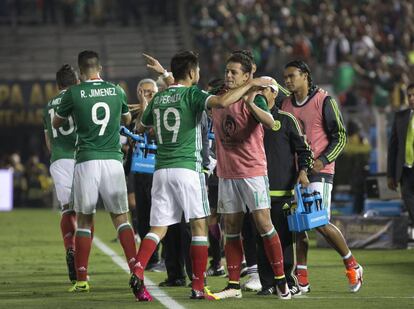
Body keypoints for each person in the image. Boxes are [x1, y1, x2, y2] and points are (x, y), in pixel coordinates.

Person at [129, 50, 273, 301]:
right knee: (198, 228)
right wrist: (250, 83)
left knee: (157, 228)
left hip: (161, 170)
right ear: (193, 73)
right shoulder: (194, 94)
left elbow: (141, 126)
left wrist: (159, 86)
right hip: (188, 168)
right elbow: (220, 103)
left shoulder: (160, 98)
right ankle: (197, 286)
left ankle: (138, 269)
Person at [53, 50, 137, 293]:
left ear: (80, 72)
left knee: (84, 219)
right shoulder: (117, 90)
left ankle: (81, 279)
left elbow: (58, 123)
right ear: (99, 68)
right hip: (112, 160)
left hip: (87, 160)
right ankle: (135, 271)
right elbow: (127, 119)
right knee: (121, 218)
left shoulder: (73, 93)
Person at [211, 52, 291, 300]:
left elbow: (269, 122)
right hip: (227, 173)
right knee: (231, 228)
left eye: (234, 72)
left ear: (247, 75)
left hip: (252, 172)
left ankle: (281, 282)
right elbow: (220, 104)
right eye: (227, 71)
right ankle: (233, 285)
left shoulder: (256, 98)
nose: (229, 75)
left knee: (264, 225)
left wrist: (250, 102)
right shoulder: (219, 95)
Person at [281, 60, 363, 293]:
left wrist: (322, 161)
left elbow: (341, 136)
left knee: (319, 221)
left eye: (292, 76)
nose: (287, 80)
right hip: (295, 173)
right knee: (298, 225)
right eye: (285, 77)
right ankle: (302, 279)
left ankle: (353, 265)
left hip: (319, 172)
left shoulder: (324, 101)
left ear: (305, 75)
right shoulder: (285, 103)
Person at [258, 76, 313, 296]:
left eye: (264, 90)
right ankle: (266, 283)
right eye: (257, 90)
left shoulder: (287, 119)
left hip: (282, 190)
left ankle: (287, 280)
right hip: (256, 189)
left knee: (283, 238)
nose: (260, 93)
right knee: (259, 238)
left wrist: (302, 172)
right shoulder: (251, 118)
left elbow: (304, 150)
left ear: (273, 93)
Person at [43, 64, 79, 283]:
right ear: (75, 82)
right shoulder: (78, 98)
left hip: (58, 159)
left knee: (67, 209)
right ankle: (82, 266)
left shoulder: (48, 106)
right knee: (85, 211)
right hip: (81, 157)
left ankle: (70, 248)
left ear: (57, 85)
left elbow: (48, 141)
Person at [387, 83, 414, 229]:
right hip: (405, 171)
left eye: (413, 95)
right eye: (409, 95)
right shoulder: (400, 117)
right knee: (410, 205)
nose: (411, 98)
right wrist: (391, 175)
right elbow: (393, 148)